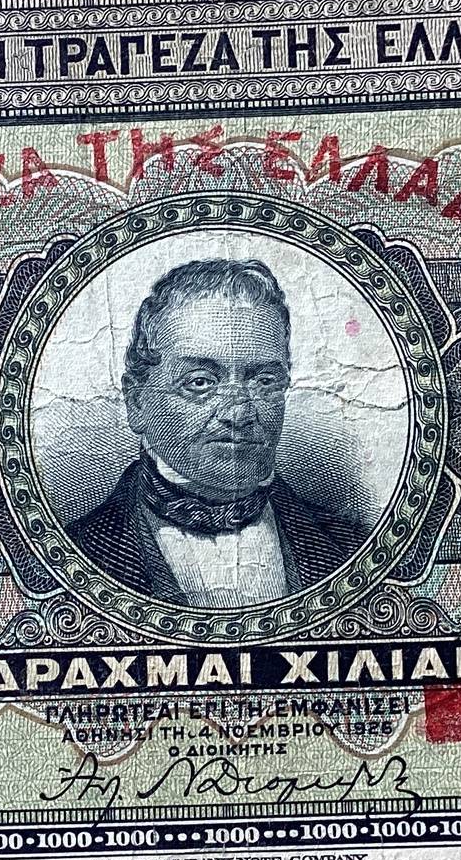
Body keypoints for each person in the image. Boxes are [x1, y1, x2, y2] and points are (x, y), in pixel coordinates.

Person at [63, 258, 368, 608]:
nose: (238, 414)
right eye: (200, 382)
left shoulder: (350, 547)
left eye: (264, 381)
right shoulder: (74, 554)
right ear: (137, 402)